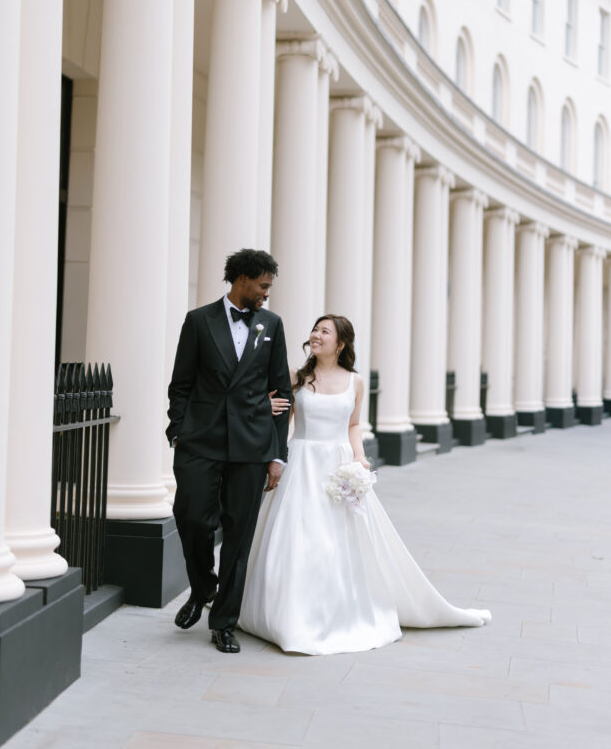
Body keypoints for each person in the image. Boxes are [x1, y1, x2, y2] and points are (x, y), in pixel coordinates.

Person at [239, 314, 491, 655]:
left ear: (340, 344)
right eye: (315, 329)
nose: (315, 335)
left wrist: (358, 458)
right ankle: (288, 613)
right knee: (297, 536)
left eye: (324, 331)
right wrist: (276, 458)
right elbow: (284, 423)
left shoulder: (354, 382)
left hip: (338, 465)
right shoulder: (297, 377)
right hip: (302, 461)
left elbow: (354, 424)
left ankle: (339, 608)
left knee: (340, 541)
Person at [167, 248, 291, 654]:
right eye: (263, 285)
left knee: (239, 535)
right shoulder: (199, 320)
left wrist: (277, 454)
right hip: (200, 440)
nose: (267, 293)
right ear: (241, 280)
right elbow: (181, 382)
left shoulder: (272, 324)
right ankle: (203, 587)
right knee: (192, 517)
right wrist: (179, 428)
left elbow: (282, 392)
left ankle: (224, 621)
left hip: (252, 445)